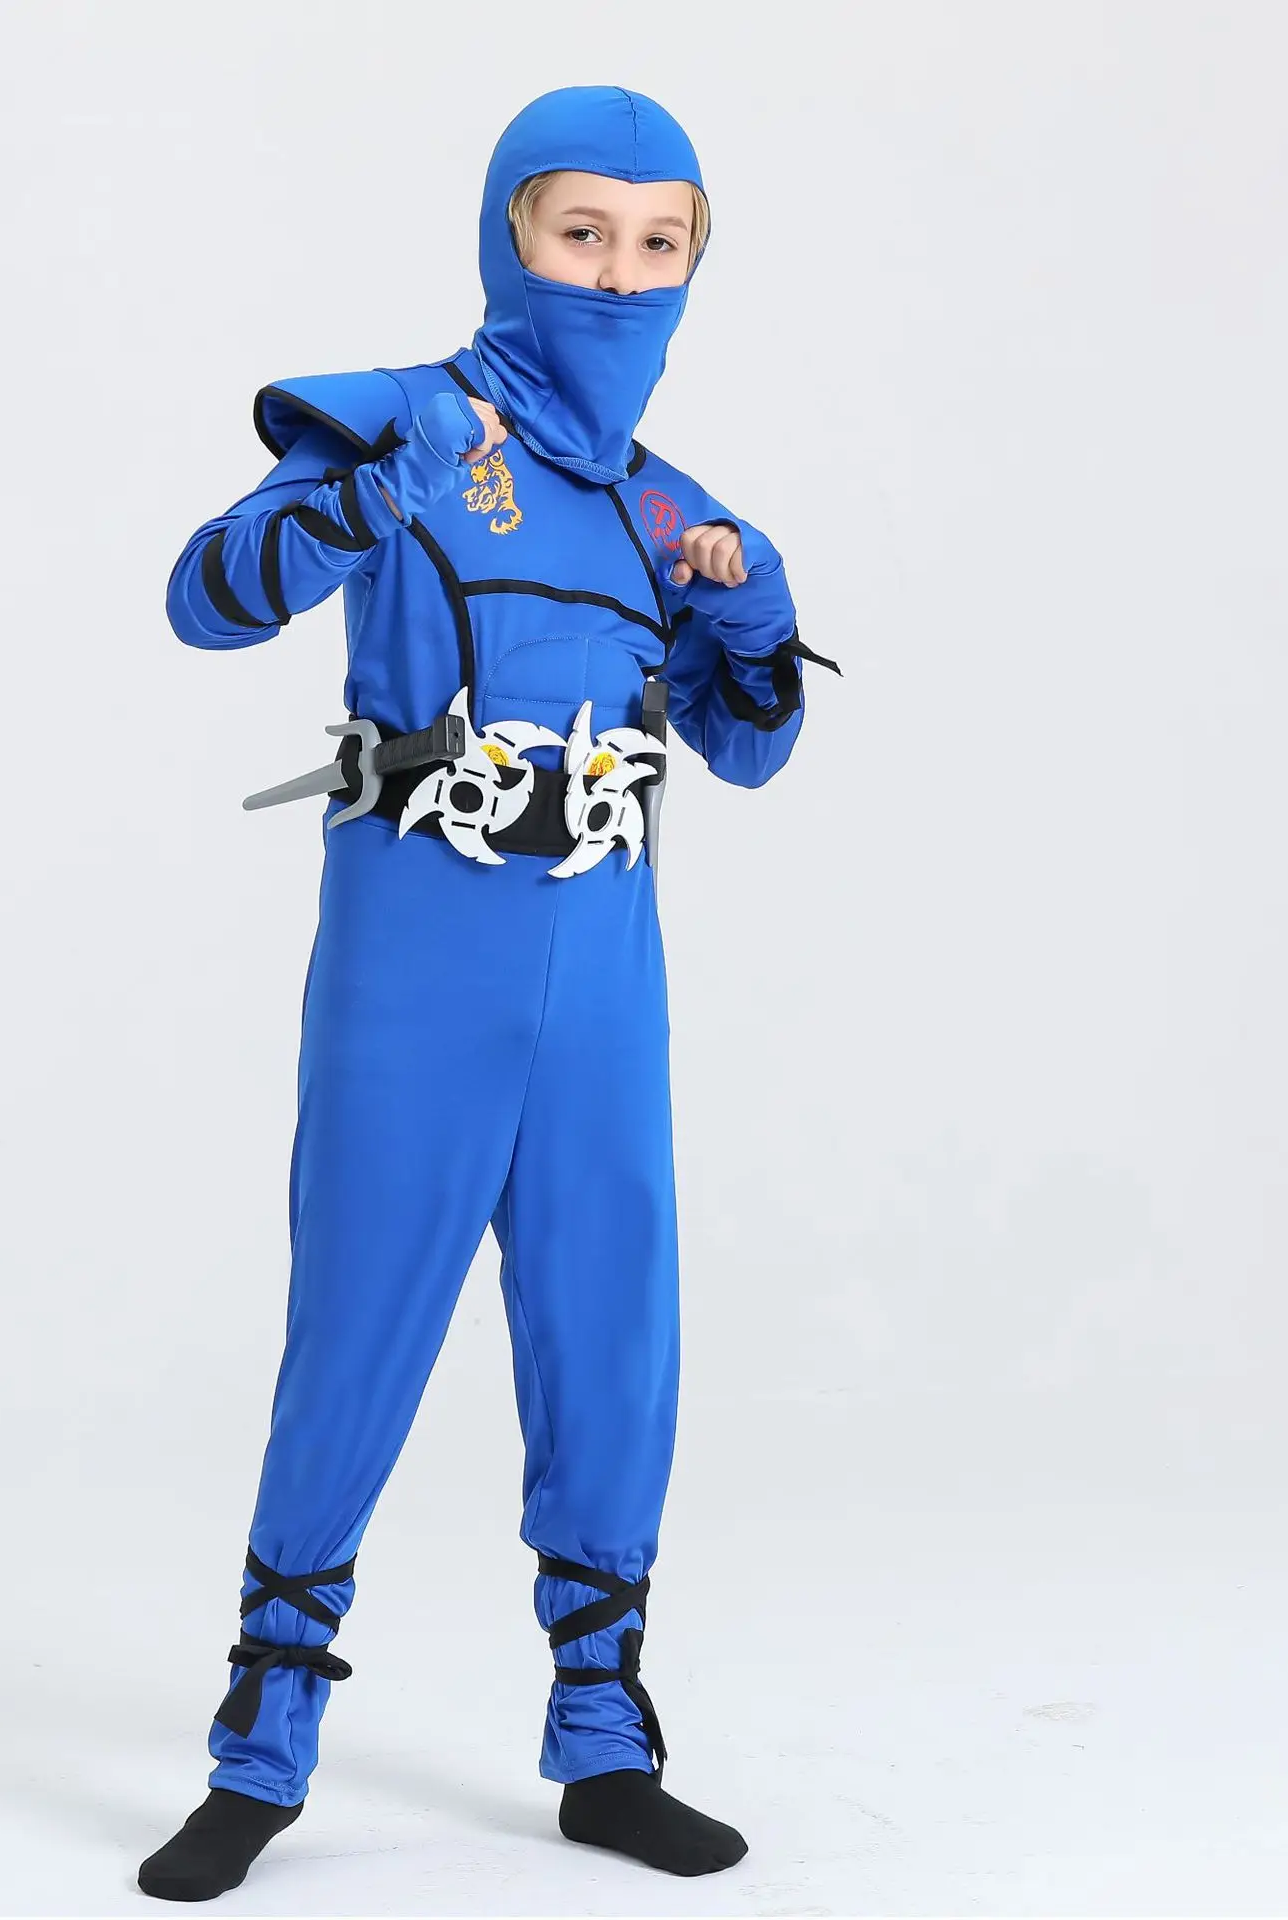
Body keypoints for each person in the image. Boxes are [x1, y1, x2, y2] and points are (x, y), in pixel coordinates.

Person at [139, 84, 838, 1903]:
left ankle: (605, 1744)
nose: (617, 274)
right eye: (580, 232)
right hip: (419, 948)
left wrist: (750, 611)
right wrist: (355, 502)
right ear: (507, 233)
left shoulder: (670, 505)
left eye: (659, 243)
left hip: (603, 958)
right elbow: (205, 599)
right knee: (359, 1324)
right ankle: (261, 1750)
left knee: (614, 1331)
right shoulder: (403, 416)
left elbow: (755, 746)